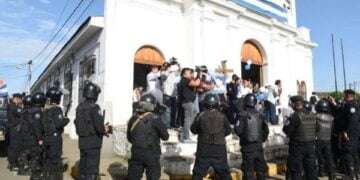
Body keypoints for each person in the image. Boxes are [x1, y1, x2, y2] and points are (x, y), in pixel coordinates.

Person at [127, 94, 169, 180]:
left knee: (133, 176)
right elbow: (165, 136)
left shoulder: (133, 118)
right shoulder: (155, 118)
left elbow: (129, 137)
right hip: (152, 153)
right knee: (153, 176)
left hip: (136, 151)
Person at [74, 81, 111, 180]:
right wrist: (105, 129)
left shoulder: (79, 107)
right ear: (94, 94)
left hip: (82, 142)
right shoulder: (95, 107)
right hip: (93, 143)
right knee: (92, 170)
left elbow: (77, 122)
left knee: (83, 168)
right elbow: (99, 127)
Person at [190, 94, 232, 180]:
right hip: (219, 148)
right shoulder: (222, 116)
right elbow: (228, 130)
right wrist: (219, 135)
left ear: (205, 104)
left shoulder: (200, 116)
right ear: (217, 104)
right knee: (224, 173)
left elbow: (193, 129)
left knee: (198, 174)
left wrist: (202, 132)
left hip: (204, 148)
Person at [234, 93, 269, 180]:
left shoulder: (242, 115)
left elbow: (238, 130)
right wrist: (261, 139)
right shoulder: (260, 115)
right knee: (261, 172)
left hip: (247, 148)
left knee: (248, 172)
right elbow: (266, 130)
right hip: (258, 147)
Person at [283, 96, 317, 180]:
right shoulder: (312, 114)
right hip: (310, 146)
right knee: (310, 170)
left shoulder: (295, 116)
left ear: (294, 104)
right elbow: (317, 129)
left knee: (296, 170)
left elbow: (287, 130)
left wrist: (286, 122)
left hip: (297, 146)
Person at [42, 87, 70, 179]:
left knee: (47, 160)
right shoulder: (56, 109)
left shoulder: (45, 110)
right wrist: (66, 119)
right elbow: (59, 124)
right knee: (55, 161)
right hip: (54, 139)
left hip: (46, 138)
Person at [338, 89, 360, 179]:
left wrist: (346, 132)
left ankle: (351, 174)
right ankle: (356, 173)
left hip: (350, 134)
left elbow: (352, 121)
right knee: (354, 153)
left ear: (348, 96)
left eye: (345, 95)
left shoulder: (351, 106)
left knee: (348, 153)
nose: (344, 96)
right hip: (354, 133)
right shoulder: (352, 105)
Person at [315, 99, 335, 180]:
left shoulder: (315, 116)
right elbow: (332, 129)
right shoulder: (331, 117)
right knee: (328, 157)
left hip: (318, 139)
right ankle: (332, 174)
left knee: (318, 157)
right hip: (327, 139)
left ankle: (321, 172)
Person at [178, 68, 200, 141]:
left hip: (190, 102)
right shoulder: (184, 80)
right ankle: (186, 137)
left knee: (192, 118)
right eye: (189, 73)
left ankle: (189, 134)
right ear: (184, 74)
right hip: (187, 102)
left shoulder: (187, 80)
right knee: (187, 120)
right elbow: (196, 83)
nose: (190, 74)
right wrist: (199, 76)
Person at [28, 92, 46, 179]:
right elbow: (37, 126)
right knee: (36, 158)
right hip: (35, 139)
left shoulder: (32, 110)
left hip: (31, 138)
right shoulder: (37, 111)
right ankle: (35, 177)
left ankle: (35, 176)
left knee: (35, 157)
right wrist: (40, 139)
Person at [7, 93, 23, 171]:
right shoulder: (13, 106)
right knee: (14, 147)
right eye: (20, 99)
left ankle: (12, 163)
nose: (21, 101)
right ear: (16, 98)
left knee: (13, 146)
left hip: (13, 128)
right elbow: (22, 112)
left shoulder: (12, 105)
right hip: (14, 129)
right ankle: (13, 165)